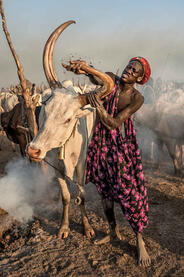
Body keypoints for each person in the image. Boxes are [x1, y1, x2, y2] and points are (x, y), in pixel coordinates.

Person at [64, 57, 151, 267]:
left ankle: (139, 240)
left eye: (134, 70)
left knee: (130, 193)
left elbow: (114, 123)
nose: (129, 70)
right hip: (101, 143)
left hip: (122, 146)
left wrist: (99, 108)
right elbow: (97, 76)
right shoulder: (110, 79)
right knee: (105, 192)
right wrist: (83, 68)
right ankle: (112, 231)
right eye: (129, 66)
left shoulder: (136, 98)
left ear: (139, 78)